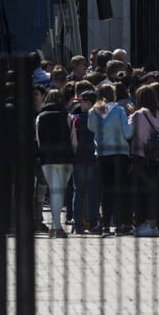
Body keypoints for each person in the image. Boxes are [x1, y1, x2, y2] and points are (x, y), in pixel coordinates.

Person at [88, 84, 134, 235]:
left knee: (106, 191)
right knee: (120, 189)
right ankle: (120, 224)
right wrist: (131, 119)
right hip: (119, 153)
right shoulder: (119, 110)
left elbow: (92, 129)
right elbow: (127, 133)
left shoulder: (93, 111)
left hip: (102, 154)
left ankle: (106, 224)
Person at [35, 90, 76, 238]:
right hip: (65, 158)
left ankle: (55, 225)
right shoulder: (67, 116)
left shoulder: (40, 117)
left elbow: (39, 139)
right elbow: (73, 140)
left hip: (47, 159)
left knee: (53, 191)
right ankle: (57, 225)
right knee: (60, 191)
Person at [128, 85, 159, 237]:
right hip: (157, 159)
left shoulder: (138, 115)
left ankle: (141, 224)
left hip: (140, 157)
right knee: (153, 191)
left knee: (140, 192)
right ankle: (153, 223)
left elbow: (128, 132)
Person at [70, 89, 100, 234]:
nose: (79, 104)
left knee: (78, 192)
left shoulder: (75, 118)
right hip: (93, 158)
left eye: (81, 101)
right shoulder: (99, 117)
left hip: (78, 159)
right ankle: (93, 223)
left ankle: (77, 225)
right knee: (92, 192)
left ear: (88, 103)